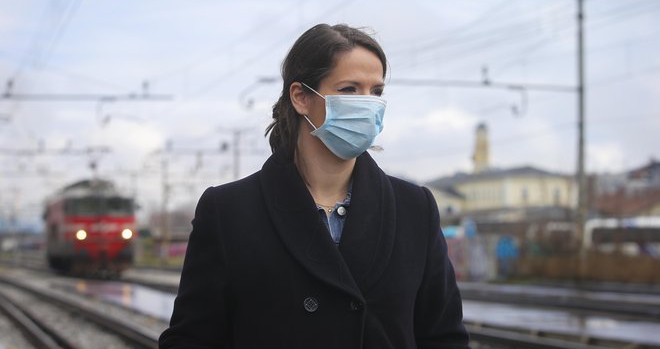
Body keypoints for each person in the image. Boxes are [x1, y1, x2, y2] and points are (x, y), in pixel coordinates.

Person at [159, 23, 470, 348]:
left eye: (376, 91)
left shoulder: (414, 208)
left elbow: (444, 336)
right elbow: (192, 339)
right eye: (349, 89)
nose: (368, 104)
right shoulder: (229, 211)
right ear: (301, 97)